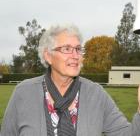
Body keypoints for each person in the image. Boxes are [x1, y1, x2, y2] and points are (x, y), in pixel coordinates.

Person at [1, 24, 140, 136]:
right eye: (67, 49)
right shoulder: (23, 93)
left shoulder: (96, 94)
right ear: (48, 56)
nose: (75, 55)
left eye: (78, 49)